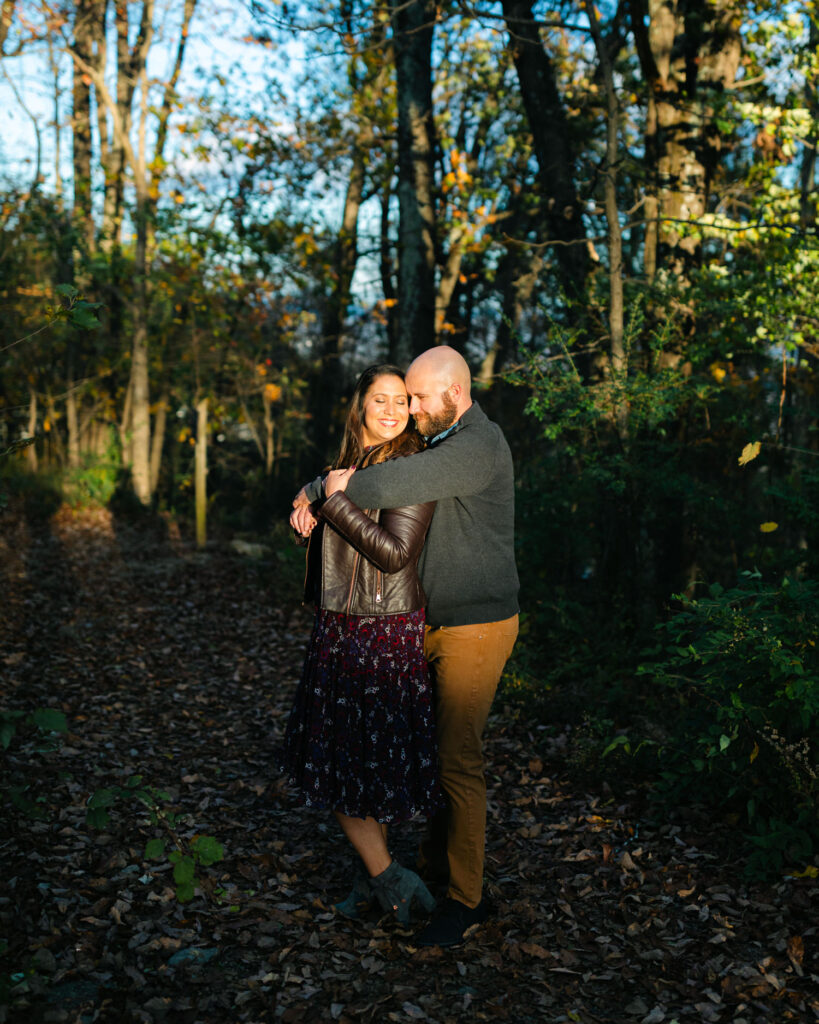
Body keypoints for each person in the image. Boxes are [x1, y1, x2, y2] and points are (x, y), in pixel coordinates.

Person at [291, 345, 520, 947]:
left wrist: (322, 491)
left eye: (418, 398)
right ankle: (437, 876)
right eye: (402, 398)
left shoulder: (477, 444)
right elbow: (376, 476)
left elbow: (392, 480)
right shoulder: (444, 438)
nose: (411, 410)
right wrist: (315, 488)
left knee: (457, 760)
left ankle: (466, 901)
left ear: (456, 393)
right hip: (432, 623)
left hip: (475, 624)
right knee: (437, 758)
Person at [282, 364, 442, 925]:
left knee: (356, 763)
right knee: (354, 761)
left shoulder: (414, 467)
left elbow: (395, 553)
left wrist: (331, 500)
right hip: (340, 624)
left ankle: (391, 882)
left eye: (401, 400)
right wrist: (309, 497)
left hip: (384, 629)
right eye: (381, 399)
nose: (393, 410)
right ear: (361, 406)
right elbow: (327, 484)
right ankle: (375, 879)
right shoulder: (351, 465)